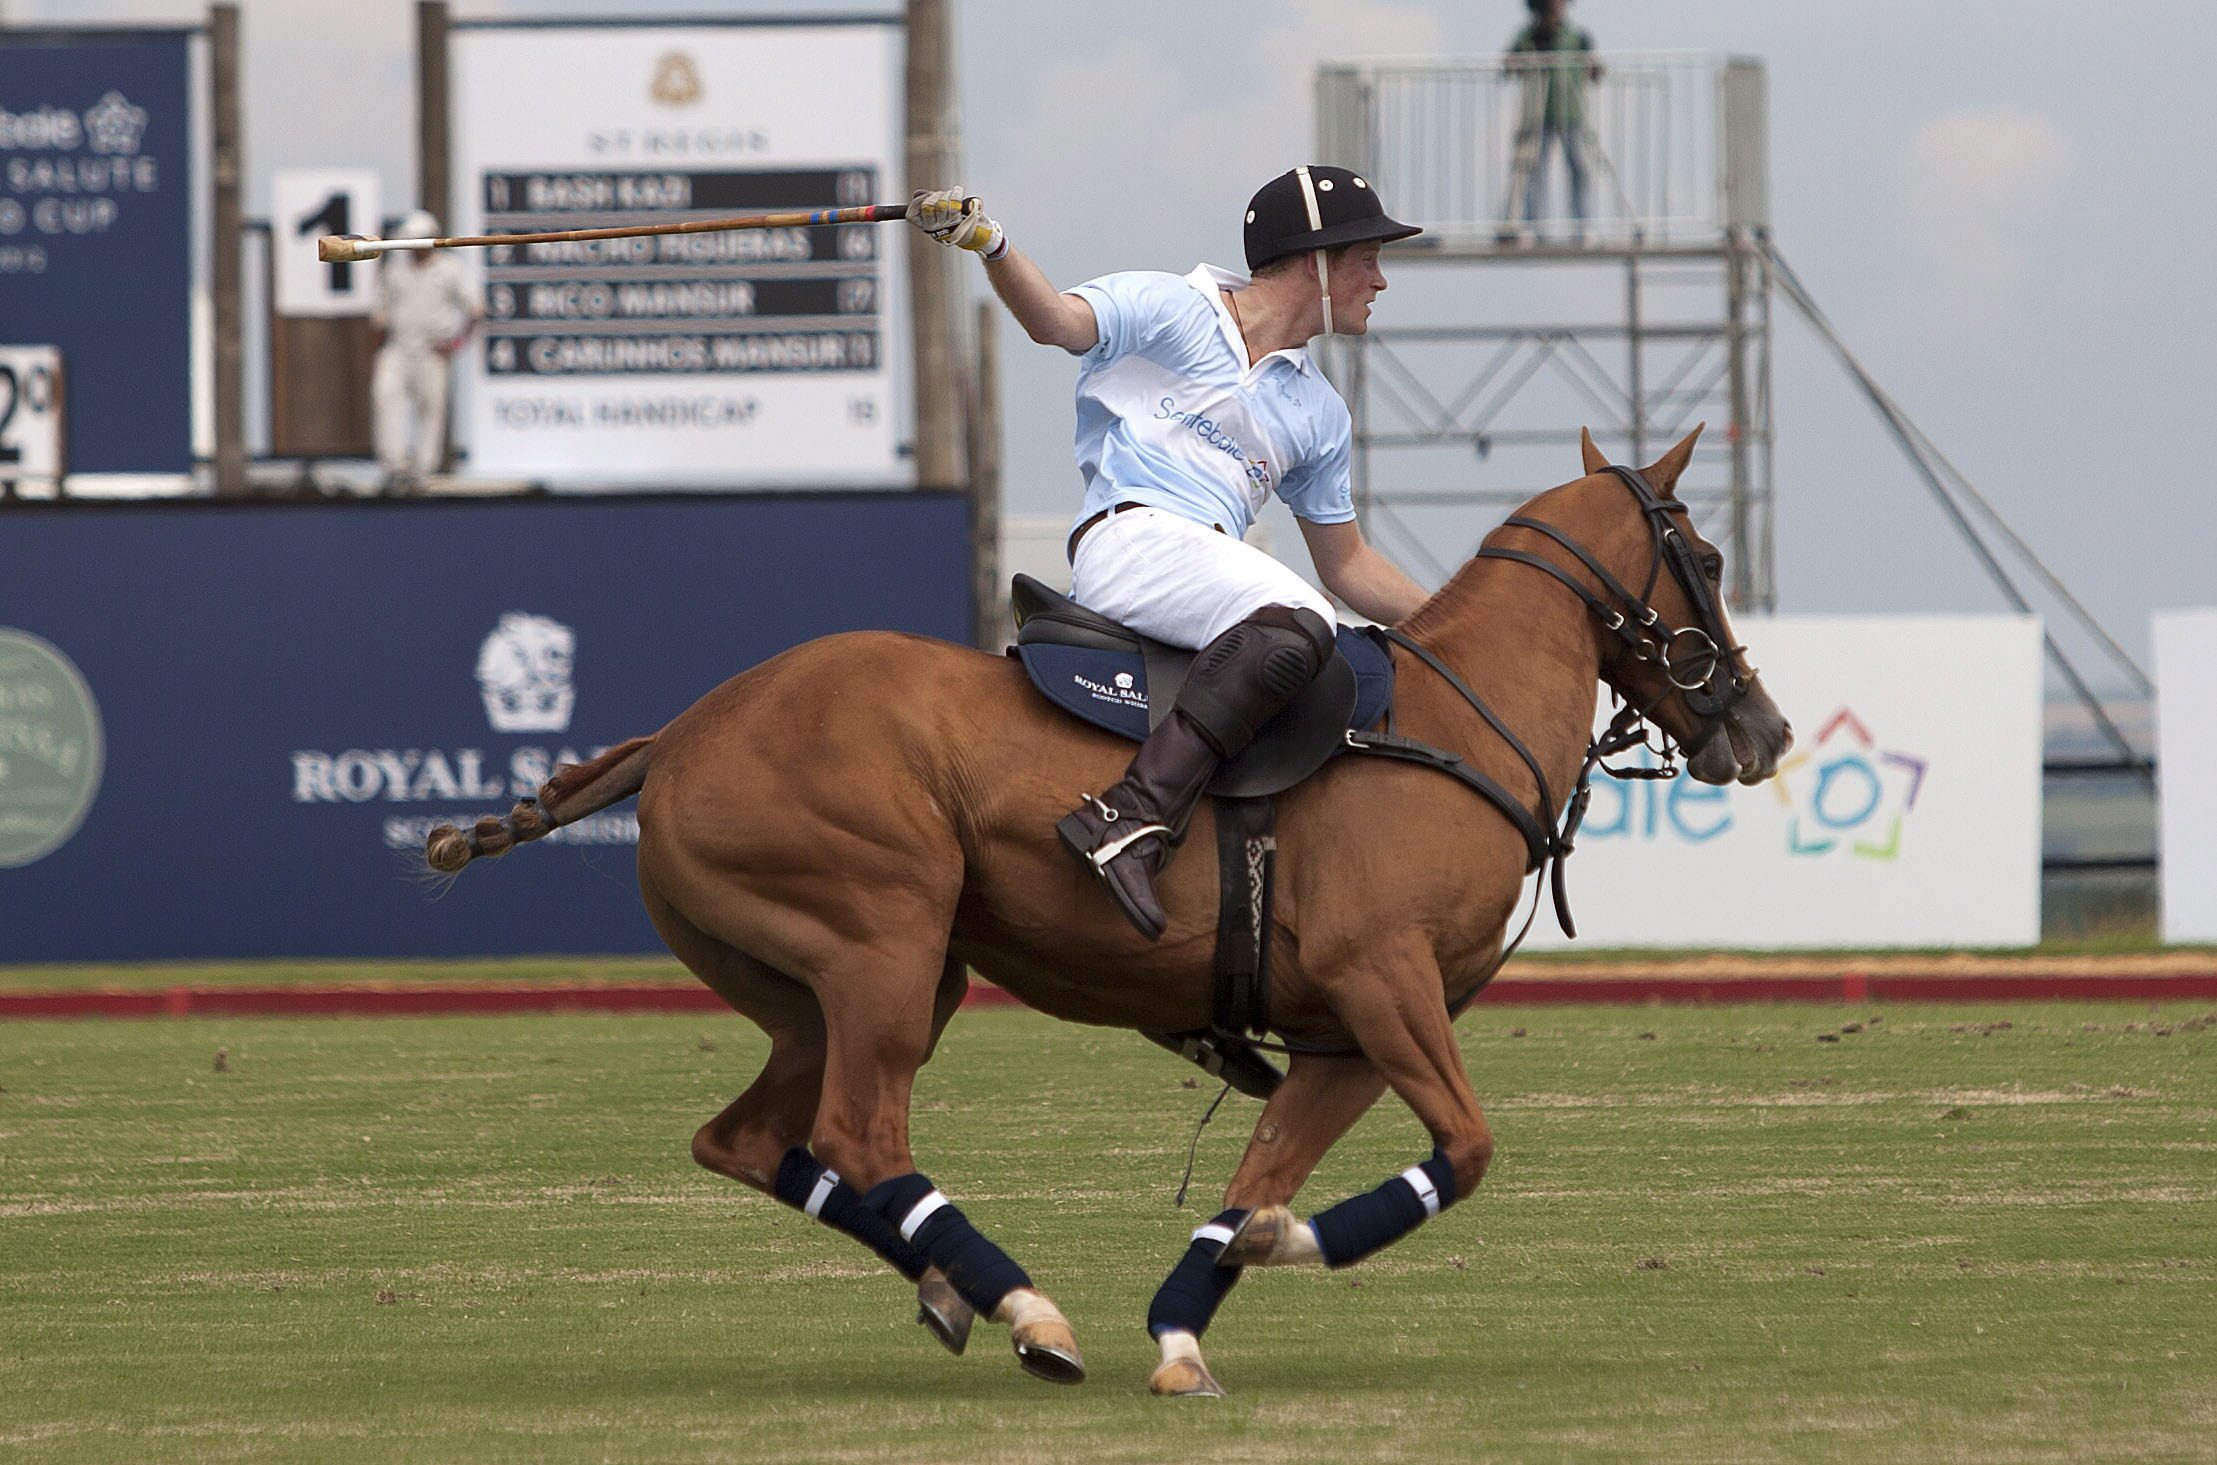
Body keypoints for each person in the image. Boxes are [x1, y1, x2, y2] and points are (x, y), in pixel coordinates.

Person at [909, 167, 1432, 940]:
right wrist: (990, 243)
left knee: (1320, 632)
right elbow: (1055, 321)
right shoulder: (1171, 306)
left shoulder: (1319, 411)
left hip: (1207, 571)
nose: (1380, 280)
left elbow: (1348, 564)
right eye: (1366, 258)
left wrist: (1462, 621)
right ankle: (1129, 816)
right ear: (1316, 260)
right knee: (1300, 616)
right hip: (1129, 538)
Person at [370, 210, 479, 493]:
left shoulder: (450, 269)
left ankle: (423, 470)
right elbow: (380, 310)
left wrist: (456, 344)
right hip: (399, 345)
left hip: (432, 348)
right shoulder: (396, 269)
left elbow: (475, 309)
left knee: (430, 407)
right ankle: (394, 466)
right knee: (385, 396)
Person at [1499, 0, 1602, 242]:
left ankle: (1582, 225)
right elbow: (1508, 65)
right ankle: (1534, 226)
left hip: (1570, 112)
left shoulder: (1575, 36)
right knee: (1534, 170)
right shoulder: (1528, 36)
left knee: (1579, 168)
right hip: (1538, 115)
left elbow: (1594, 68)